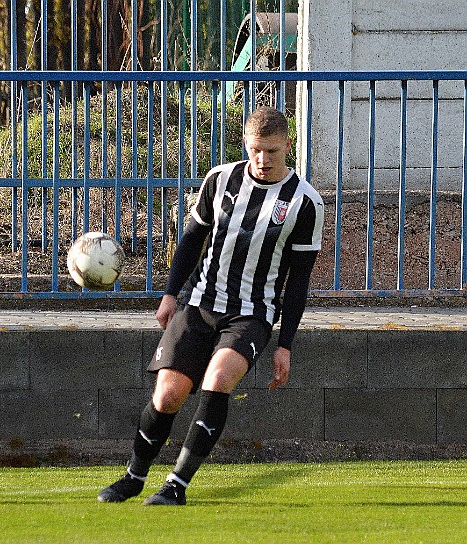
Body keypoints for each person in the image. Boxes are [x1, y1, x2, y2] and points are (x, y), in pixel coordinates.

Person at [97, 106, 324, 506]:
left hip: (252, 314)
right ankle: (133, 477)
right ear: (246, 145)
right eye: (256, 150)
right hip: (199, 303)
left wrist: (285, 344)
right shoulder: (220, 179)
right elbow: (190, 240)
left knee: (218, 379)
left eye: (272, 151)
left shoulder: (305, 202)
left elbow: (300, 280)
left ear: (288, 146)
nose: (263, 159)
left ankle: (176, 486)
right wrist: (170, 294)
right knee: (167, 395)